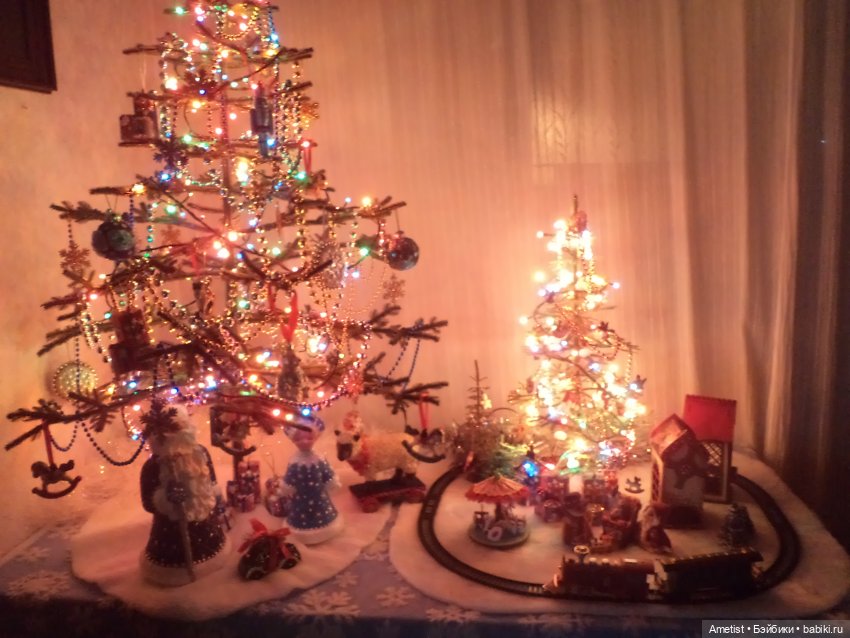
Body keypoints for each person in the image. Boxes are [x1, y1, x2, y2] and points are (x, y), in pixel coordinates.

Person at [140, 404, 230, 587]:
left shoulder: (201, 454)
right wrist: (165, 498)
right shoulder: (153, 466)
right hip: (170, 535)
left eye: (180, 429)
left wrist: (214, 496)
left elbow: (211, 481)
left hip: (208, 528)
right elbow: (148, 503)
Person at [283, 414, 344, 545]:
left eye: (309, 437)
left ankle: (326, 524)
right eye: (299, 439)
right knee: (301, 510)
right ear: (293, 440)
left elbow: (327, 472)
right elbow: (289, 478)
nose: (304, 441)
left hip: (320, 498)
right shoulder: (294, 462)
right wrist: (286, 487)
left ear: (315, 437)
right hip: (300, 501)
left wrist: (332, 481)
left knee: (322, 507)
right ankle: (304, 529)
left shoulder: (319, 458)